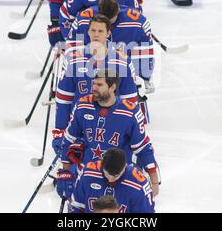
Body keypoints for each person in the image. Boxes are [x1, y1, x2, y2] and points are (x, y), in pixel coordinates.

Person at [55, 69, 159, 201]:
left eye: (99, 85)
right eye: (93, 84)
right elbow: (69, 140)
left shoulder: (130, 112)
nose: (93, 88)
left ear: (112, 87)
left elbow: (143, 148)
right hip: (86, 178)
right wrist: (66, 172)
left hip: (117, 179)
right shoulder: (82, 105)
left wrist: (154, 181)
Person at [52, 15, 138, 145]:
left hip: (113, 128)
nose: (96, 35)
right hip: (81, 127)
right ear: (88, 32)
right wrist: (60, 131)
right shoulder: (74, 60)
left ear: (108, 33)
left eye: (100, 31)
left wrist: (131, 132)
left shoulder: (122, 62)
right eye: (93, 30)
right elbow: (63, 99)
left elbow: (130, 101)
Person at [69, 148, 156, 213]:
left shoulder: (138, 185)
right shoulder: (87, 174)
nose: (110, 180)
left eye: (116, 176)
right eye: (107, 174)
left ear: (124, 167)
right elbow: (77, 207)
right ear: (102, 165)